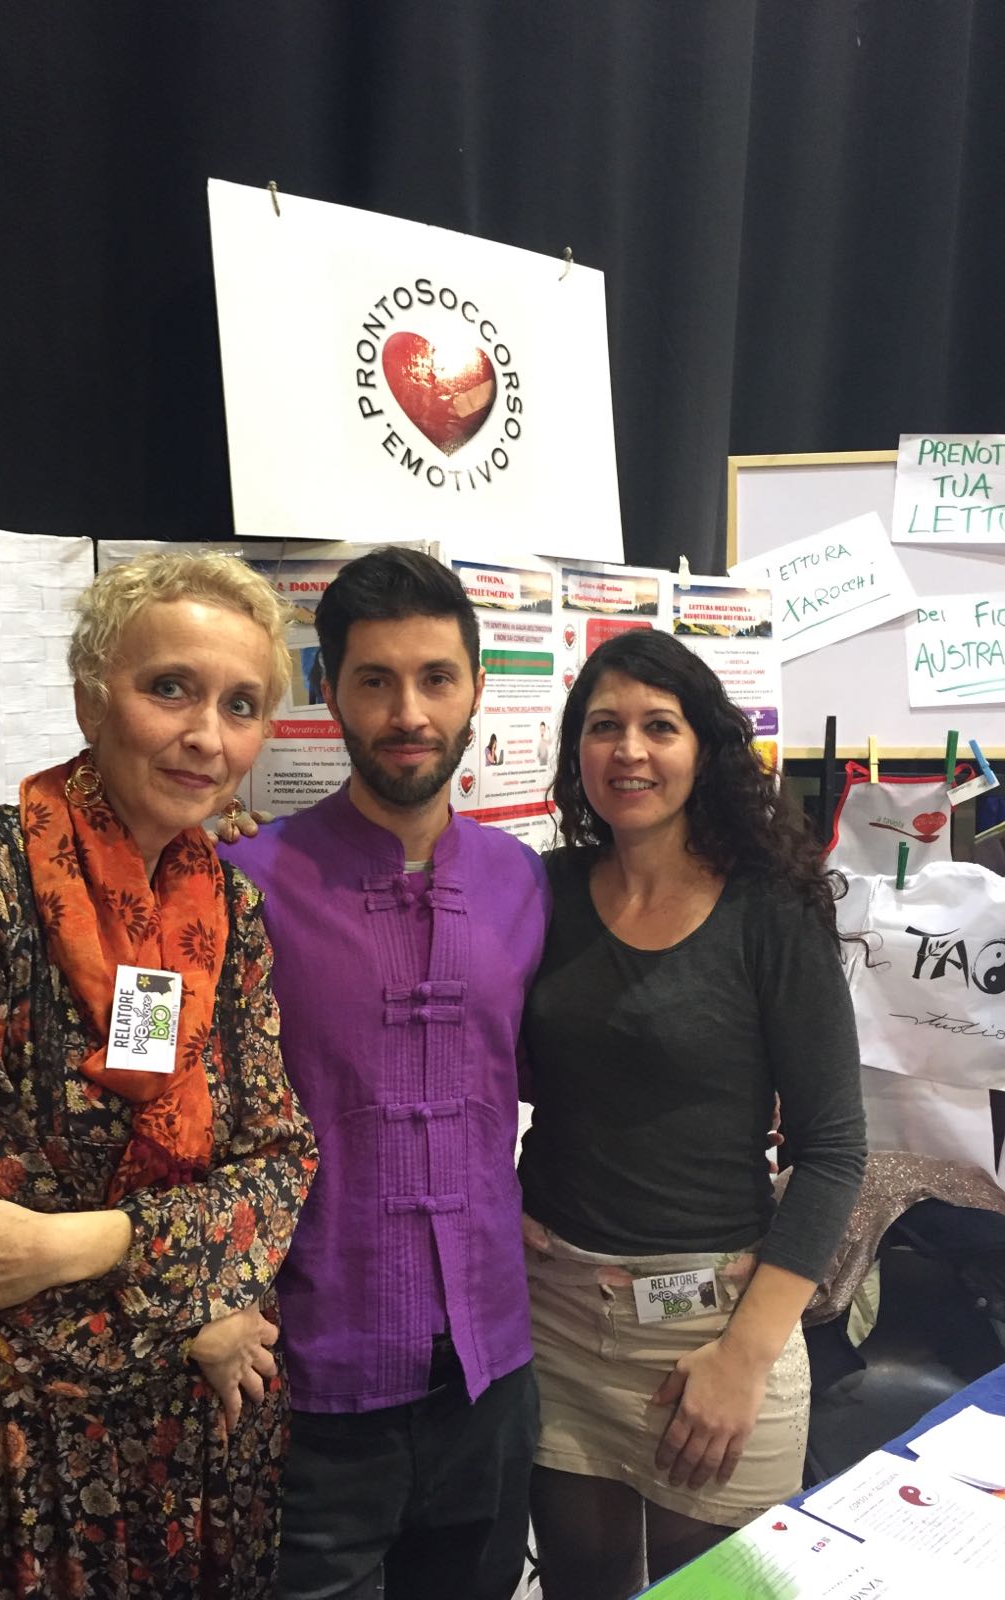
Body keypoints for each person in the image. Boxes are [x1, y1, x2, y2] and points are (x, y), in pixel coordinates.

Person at [0, 552, 318, 1600]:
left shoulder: (230, 910)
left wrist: (85, 1242)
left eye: (241, 705)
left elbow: (281, 1169)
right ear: (89, 696)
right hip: (13, 1439)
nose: (207, 735)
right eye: (171, 687)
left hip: (204, 1433)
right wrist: (199, 1314)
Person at [217, 548, 550, 1600]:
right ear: (329, 690)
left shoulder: (522, 880)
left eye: (436, 678)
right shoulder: (244, 882)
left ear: (476, 688)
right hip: (313, 1379)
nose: (409, 712)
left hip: (491, 1373)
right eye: (376, 680)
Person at [518, 631, 866, 1599]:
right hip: (555, 1315)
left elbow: (834, 1148)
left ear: (704, 747)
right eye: (604, 726)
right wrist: (492, 1203)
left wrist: (745, 1357)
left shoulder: (771, 907)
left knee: (716, 1592)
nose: (629, 750)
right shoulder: (545, 891)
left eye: (659, 726)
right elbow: (476, 1071)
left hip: (714, 1323)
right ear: (576, 751)